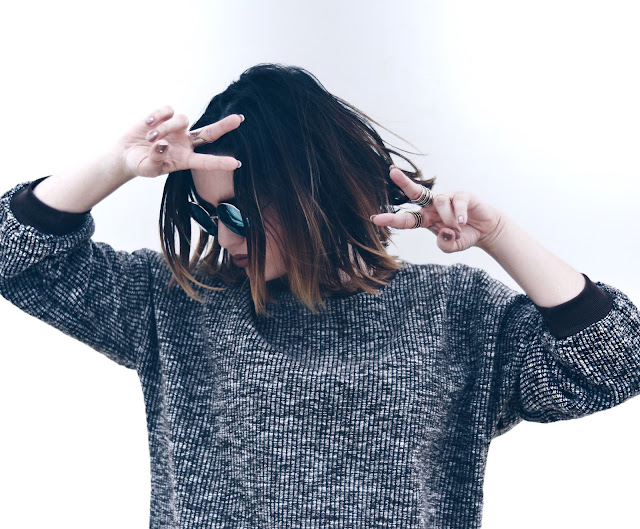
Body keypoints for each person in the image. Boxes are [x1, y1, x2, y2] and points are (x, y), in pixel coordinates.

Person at [1, 63, 639, 528]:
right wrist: (115, 165)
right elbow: (15, 256)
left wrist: (499, 235)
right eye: (210, 214)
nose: (224, 236)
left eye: (240, 212)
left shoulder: (456, 311)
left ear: (313, 191)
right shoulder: (176, 304)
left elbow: (618, 360)